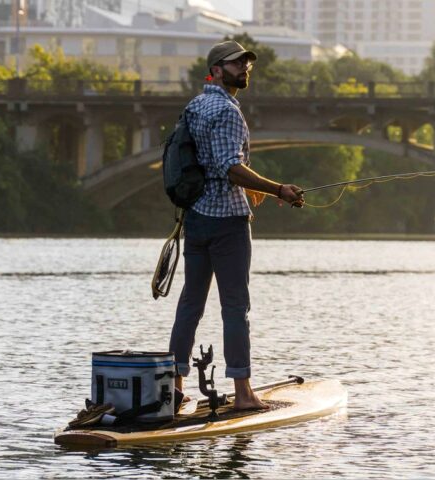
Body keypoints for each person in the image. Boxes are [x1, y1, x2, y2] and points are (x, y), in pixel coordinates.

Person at [169, 40, 304, 410]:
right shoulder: (227, 111)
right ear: (215, 69)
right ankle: (244, 393)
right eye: (235, 63)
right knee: (235, 307)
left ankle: (175, 386)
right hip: (227, 222)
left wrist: (251, 189)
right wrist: (278, 188)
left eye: (246, 63)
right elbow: (229, 166)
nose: (244, 68)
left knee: (190, 304)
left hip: (196, 218)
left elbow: (208, 164)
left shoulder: (195, 105)